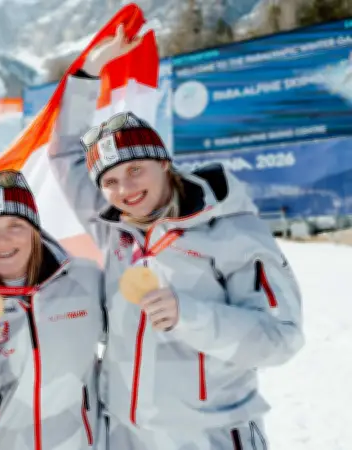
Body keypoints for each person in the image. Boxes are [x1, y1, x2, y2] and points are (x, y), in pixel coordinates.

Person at [48, 30, 305, 449]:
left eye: (135, 170)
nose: (125, 189)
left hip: (211, 437)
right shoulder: (113, 228)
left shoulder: (231, 231)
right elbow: (63, 154)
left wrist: (188, 316)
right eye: (109, 181)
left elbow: (280, 338)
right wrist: (89, 71)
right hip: (126, 436)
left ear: (165, 163)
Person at [0, 169, 105, 449]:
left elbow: (131, 348)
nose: (2, 241)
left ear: (35, 230)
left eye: (15, 225)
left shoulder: (84, 280)